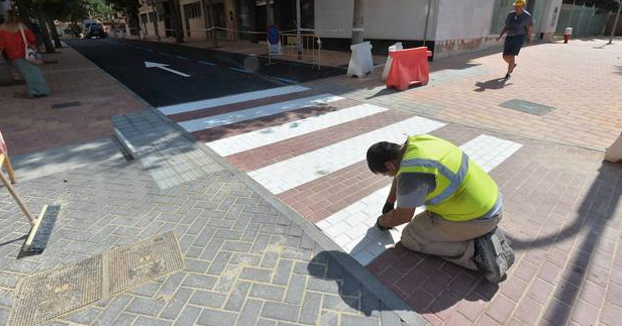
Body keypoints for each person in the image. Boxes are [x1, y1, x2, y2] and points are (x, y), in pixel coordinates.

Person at [366, 134, 515, 283]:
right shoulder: (418, 143)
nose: (389, 176)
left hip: (477, 218)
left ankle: (478, 252)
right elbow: (400, 173)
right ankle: (480, 234)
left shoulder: (411, 173)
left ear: (390, 165)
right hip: (491, 203)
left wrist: (382, 222)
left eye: (386, 174)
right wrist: (390, 202)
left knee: (410, 237)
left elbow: (403, 216)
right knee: (422, 223)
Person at [0, 10, 49, 98]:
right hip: (27, 53)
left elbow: (1, 43)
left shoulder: (2, 28)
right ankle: (40, 90)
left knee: (25, 74)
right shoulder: (21, 26)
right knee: (35, 72)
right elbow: (32, 38)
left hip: (13, 55)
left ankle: (33, 91)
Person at [497, 0, 532, 79]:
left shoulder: (527, 16)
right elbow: (506, 26)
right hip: (509, 36)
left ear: (523, 6)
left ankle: (508, 73)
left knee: (512, 55)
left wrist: (528, 38)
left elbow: (528, 28)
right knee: (505, 56)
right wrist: (500, 35)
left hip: (519, 37)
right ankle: (512, 64)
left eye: (518, 6)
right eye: (515, 6)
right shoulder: (511, 14)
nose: (516, 8)